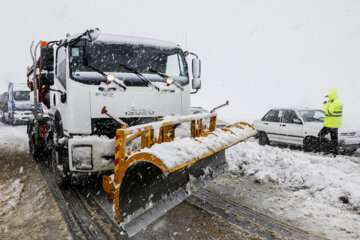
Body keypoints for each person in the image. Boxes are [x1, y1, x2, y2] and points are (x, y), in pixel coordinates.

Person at [318, 88, 343, 155]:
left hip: (330, 124)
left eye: (329, 96)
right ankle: (335, 152)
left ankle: (327, 150)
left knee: (320, 135)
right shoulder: (339, 102)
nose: (328, 98)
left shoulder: (334, 103)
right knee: (334, 138)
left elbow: (328, 111)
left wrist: (324, 105)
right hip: (336, 124)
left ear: (332, 95)